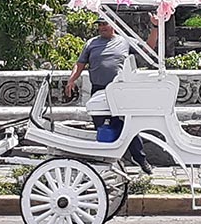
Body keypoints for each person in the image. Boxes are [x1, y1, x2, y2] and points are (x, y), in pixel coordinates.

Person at [64, 14, 159, 174]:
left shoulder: (124, 41)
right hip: (98, 90)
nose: (101, 28)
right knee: (102, 127)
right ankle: (107, 163)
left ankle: (141, 159)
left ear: (113, 24)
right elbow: (80, 64)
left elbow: (147, 50)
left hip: (119, 91)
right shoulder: (91, 44)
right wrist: (71, 80)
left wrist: (155, 27)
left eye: (104, 24)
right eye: (99, 25)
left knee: (127, 126)